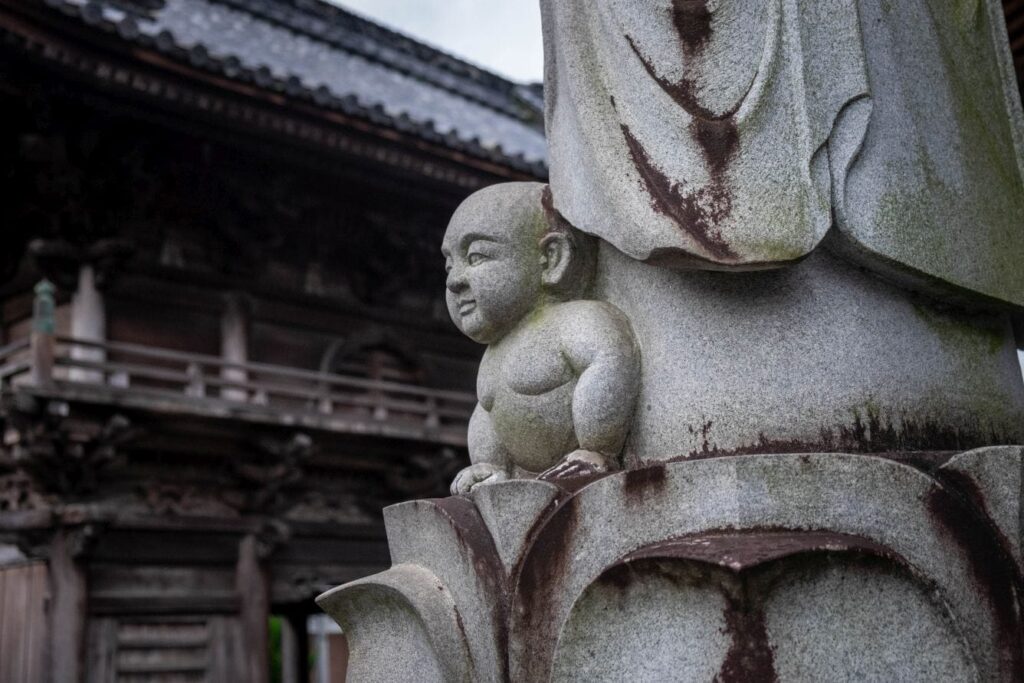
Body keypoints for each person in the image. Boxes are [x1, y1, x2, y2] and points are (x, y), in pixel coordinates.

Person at [441, 182, 640, 495]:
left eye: (476, 256)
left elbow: (609, 359)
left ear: (550, 258)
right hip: (526, 480)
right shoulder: (496, 349)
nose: (454, 281)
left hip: (584, 470)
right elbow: (487, 410)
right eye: (449, 264)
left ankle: (594, 457)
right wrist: (490, 463)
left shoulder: (576, 320)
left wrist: (598, 443)